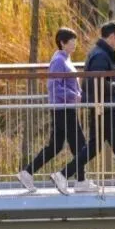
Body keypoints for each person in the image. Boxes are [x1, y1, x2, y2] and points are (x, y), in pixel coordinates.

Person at [17, 28, 98, 196]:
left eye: (75, 41)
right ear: (62, 42)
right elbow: (54, 86)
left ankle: (28, 172)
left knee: (55, 146)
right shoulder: (58, 61)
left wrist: (78, 94)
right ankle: (79, 180)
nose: (74, 44)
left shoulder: (65, 59)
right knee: (80, 145)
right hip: (63, 109)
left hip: (64, 108)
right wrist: (74, 96)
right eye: (71, 41)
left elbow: (68, 84)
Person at [81, 21, 115, 192]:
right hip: (106, 108)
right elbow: (97, 80)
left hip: (104, 106)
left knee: (96, 146)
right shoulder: (101, 55)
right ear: (112, 36)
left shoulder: (101, 53)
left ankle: (62, 174)